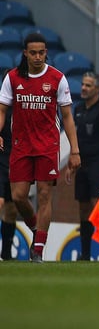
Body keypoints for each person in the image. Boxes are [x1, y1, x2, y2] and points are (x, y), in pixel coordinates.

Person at [0, 32, 81, 262]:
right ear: (25, 53)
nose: (37, 57)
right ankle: (37, 228)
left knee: (45, 195)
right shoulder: (13, 78)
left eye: (41, 52)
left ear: (46, 52)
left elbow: (67, 116)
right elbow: (2, 110)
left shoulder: (57, 78)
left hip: (47, 146)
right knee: (18, 197)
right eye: (33, 53)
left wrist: (74, 150)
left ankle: (38, 250)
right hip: (20, 146)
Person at [64, 71, 99, 260]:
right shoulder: (78, 110)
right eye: (83, 84)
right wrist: (72, 164)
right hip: (83, 165)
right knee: (83, 207)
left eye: (88, 85)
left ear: (98, 88)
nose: (83, 88)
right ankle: (85, 253)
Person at [0, 67, 24, 260]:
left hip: (14, 162)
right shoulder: (1, 109)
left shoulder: (23, 108)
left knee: (11, 207)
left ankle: (6, 253)